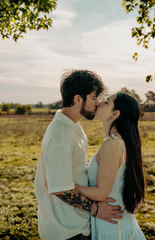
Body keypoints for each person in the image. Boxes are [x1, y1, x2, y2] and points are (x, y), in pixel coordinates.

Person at [35, 70, 123, 240]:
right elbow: (60, 189)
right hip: (65, 231)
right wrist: (96, 210)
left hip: (76, 225)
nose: (97, 103)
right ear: (77, 99)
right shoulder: (60, 136)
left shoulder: (73, 126)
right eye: (93, 98)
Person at [76, 92, 146, 240]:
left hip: (113, 227)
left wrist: (68, 186)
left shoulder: (112, 144)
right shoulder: (117, 141)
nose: (99, 103)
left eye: (107, 102)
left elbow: (101, 193)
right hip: (115, 222)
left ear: (115, 114)